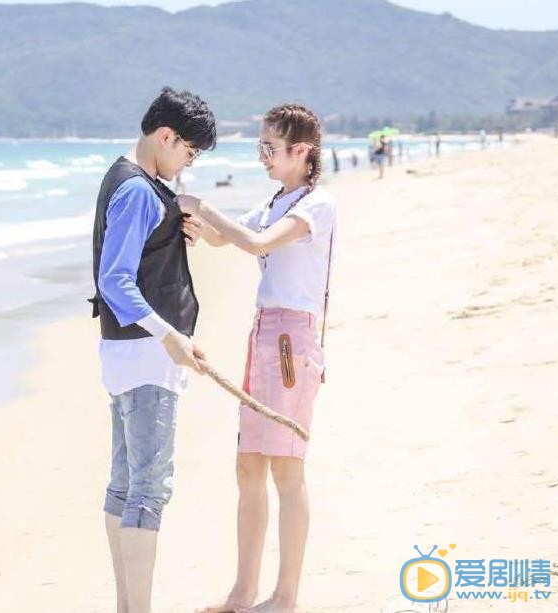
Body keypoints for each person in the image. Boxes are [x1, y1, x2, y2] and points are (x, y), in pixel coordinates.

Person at [179, 104, 336, 613]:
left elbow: (254, 242)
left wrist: (203, 206)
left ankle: (285, 596)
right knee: (248, 466)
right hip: (265, 333)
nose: (263, 156)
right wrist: (192, 221)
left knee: (286, 469)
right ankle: (242, 593)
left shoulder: (316, 205)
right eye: (260, 147)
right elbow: (224, 237)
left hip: (291, 342)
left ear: (302, 151)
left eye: (271, 148)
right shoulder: (276, 201)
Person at [89, 86, 217, 613]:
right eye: (189, 152)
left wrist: (173, 232)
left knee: (125, 485)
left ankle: (128, 606)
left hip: (125, 354)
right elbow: (115, 281)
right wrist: (170, 336)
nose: (188, 164)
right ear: (166, 136)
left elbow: (134, 264)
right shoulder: (139, 191)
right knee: (148, 489)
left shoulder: (132, 181)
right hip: (147, 356)